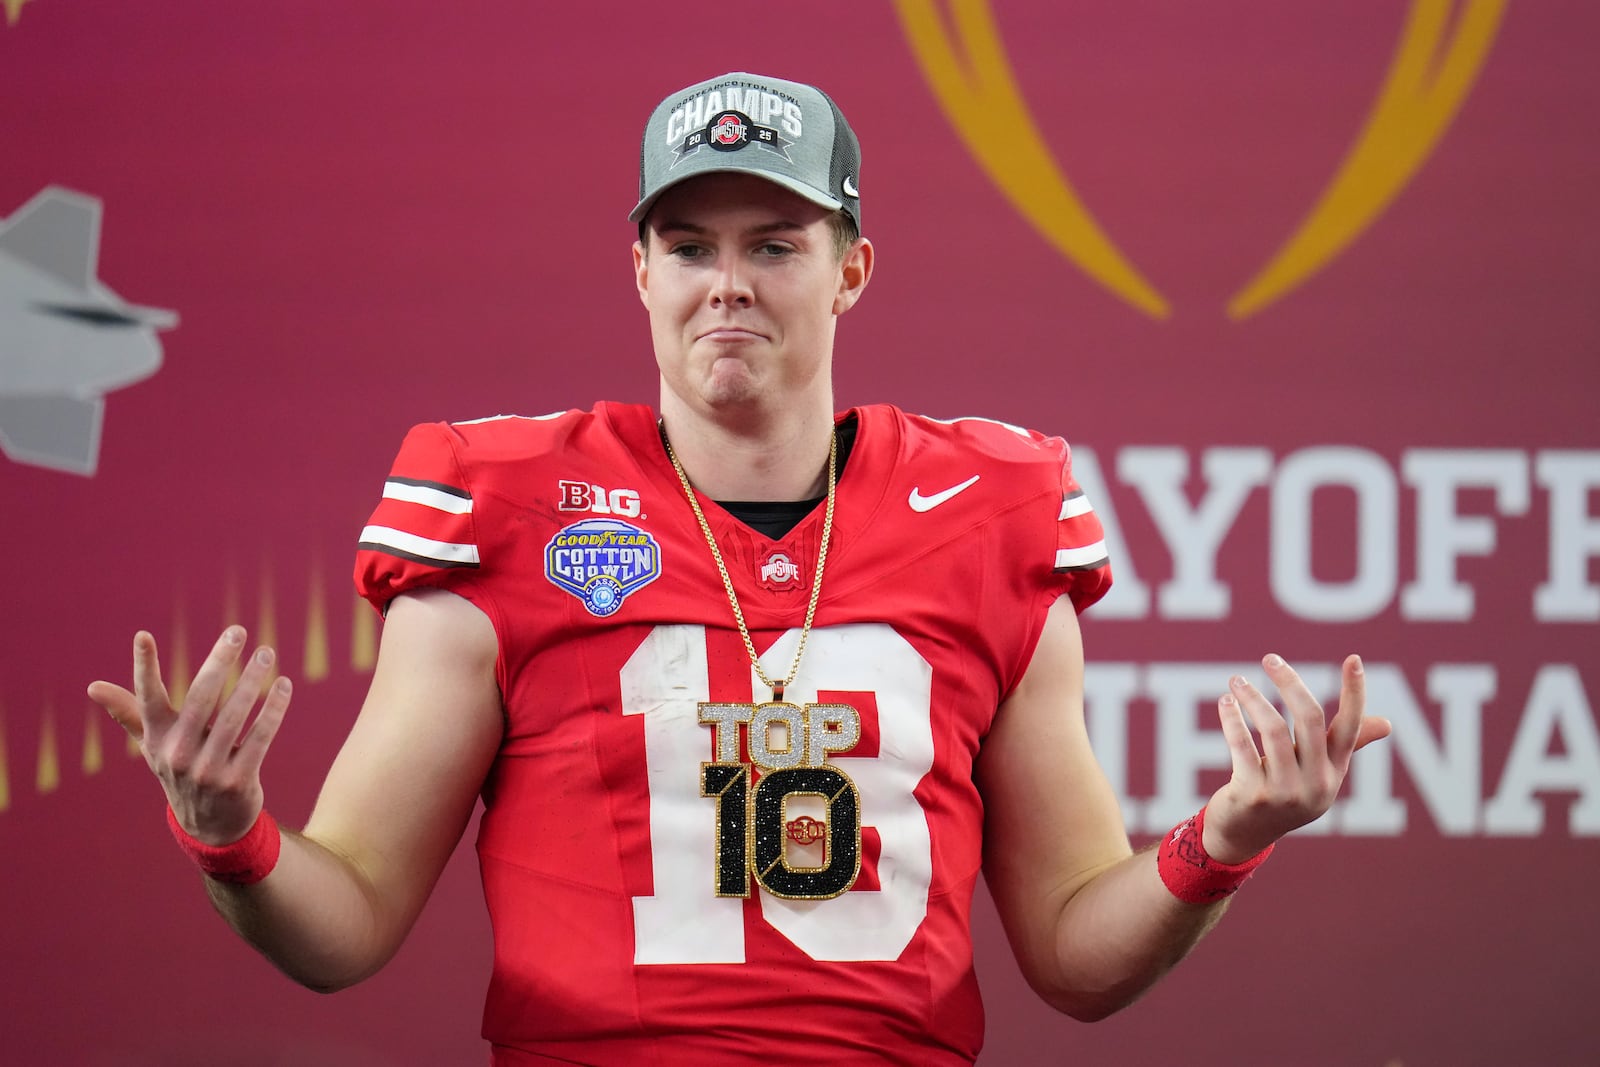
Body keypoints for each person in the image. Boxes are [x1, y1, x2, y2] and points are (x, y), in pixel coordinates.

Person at [89, 72, 1391, 1065]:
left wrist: (1222, 842)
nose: (730, 284)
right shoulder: (504, 507)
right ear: (640, 270)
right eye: (694, 245)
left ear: (851, 272)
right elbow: (351, 922)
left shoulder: (991, 511)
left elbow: (1071, 954)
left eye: (775, 244)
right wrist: (231, 837)